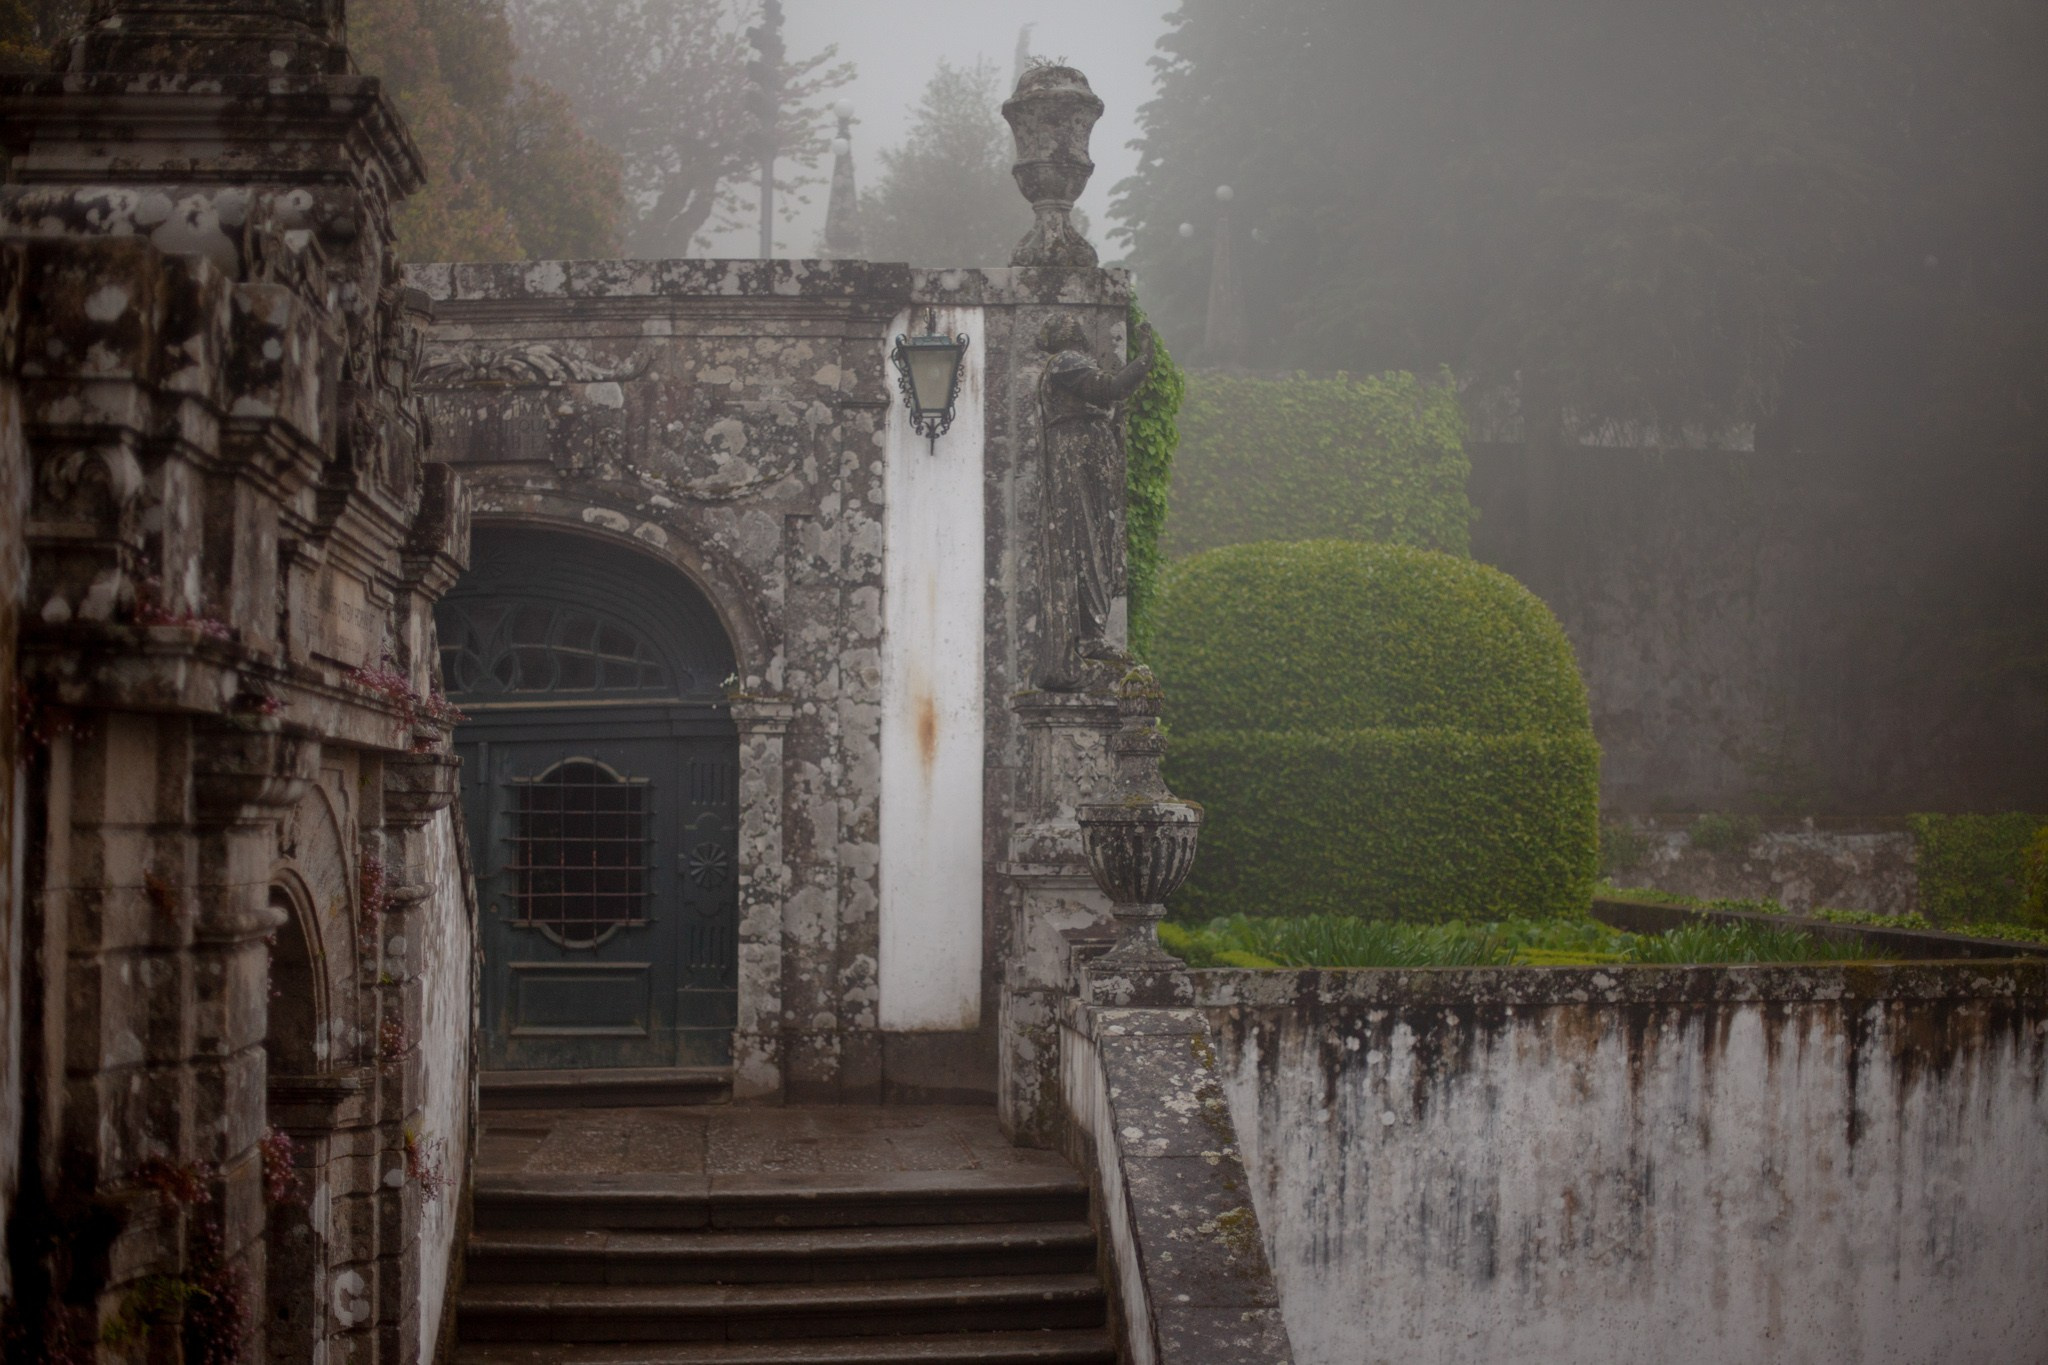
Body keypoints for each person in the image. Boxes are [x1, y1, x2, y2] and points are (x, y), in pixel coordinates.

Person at [1035, 315, 1156, 689]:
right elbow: (1111, 388)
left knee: (1095, 544)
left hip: (1085, 461)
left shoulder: (1063, 366)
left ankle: (1092, 634)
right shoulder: (1066, 362)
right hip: (1079, 462)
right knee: (1087, 544)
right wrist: (1145, 359)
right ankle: (1089, 637)